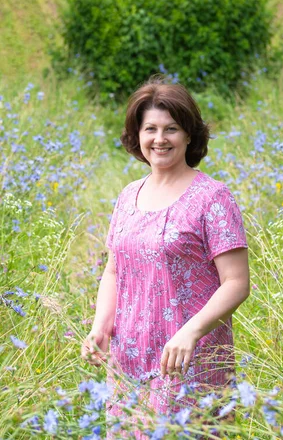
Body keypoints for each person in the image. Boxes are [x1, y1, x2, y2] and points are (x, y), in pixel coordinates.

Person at [81, 76, 250, 439]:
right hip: (129, 358)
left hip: (188, 359)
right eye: (151, 129)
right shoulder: (128, 196)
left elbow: (236, 282)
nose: (160, 139)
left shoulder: (213, 198)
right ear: (136, 136)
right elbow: (114, 270)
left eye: (171, 128)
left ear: (190, 135)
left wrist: (191, 332)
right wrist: (101, 326)